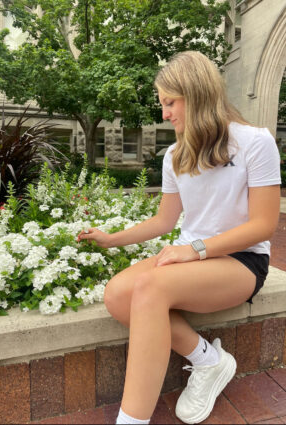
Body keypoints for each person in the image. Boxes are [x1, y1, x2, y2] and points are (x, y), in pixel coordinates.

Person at [77, 50, 281, 424]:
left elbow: (263, 225)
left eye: (170, 102)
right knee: (118, 295)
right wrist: (111, 238)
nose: (165, 113)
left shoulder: (255, 142)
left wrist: (195, 250)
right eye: (163, 104)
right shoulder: (175, 155)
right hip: (192, 257)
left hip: (241, 260)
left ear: (197, 93)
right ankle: (208, 360)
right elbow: (163, 220)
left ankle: (131, 421)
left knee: (151, 289)